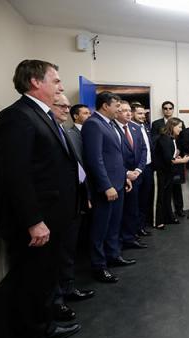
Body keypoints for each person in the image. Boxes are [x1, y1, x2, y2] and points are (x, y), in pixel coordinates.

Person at [0, 59, 80, 338]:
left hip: (53, 218)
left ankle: (45, 327)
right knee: (30, 284)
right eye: (55, 80)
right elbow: (16, 176)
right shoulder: (17, 118)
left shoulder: (42, 116)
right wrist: (33, 221)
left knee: (45, 281)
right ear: (35, 83)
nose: (61, 86)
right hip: (35, 223)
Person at [82, 91, 135, 283]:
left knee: (114, 224)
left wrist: (124, 176)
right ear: (105, 106)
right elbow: (94, 159)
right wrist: (106, 185)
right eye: (116, 106)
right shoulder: (93, 125)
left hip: (118, 182)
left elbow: (115, 156)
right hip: (106, 187)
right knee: (100, 228)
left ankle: (113, 255)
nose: (119, 110)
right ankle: (99, 266)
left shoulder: (110, 125)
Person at [51, 94, 95, 322]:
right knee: (56, 255)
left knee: (68, 250)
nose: (65, 110)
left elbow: (80, 169)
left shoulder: (66, 133)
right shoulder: (63, 132)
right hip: (54, 205)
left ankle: (67, 289)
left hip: (74, 199)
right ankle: (56, 301)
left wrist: (84, 194)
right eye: (61, 106)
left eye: (67, 107)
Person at [115, 101, 148, 249]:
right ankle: (120, 240)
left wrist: (139, 170)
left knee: (134, 208)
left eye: (129, 110)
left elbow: (143, 150)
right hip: (120, 175)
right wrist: (126, 173)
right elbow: (112, 155)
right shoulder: (112, 128)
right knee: (121, 210)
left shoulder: (135, 128)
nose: (128, 113)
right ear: (116, 112)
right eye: (124, 111)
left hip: (137, 174)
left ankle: (131, 237)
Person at [154, 118, 189, 228]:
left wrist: (177, 157)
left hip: (169, 171)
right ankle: (158, 221)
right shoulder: (164, 139)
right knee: (160, 197)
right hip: (161, 172)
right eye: (179, 127)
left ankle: (168, 217)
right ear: (172, 126)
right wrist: (182, 160)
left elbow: (170, 156)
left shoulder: (171, 139)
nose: (181, 129)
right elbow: (167, 159)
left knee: (167, 196)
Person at [131, 102, 155, 236]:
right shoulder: (129, 128)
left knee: (145, 198)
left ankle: (141, 226)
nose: (143, 116)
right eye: (139, 113)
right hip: (136, 170)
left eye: (144, 114)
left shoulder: (145, 127)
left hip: (148, 167)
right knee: (135, 201)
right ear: (132, 113)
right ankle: (133, 230)